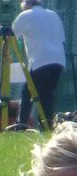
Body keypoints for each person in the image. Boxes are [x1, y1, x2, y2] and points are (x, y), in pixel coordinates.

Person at [12, 0, 66, 130]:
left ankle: (22, 124)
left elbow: (10, 35)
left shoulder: (25, 15)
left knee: (28, 93)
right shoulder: (53, 14)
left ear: (25, 4)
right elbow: (62, 38)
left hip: (40, 60)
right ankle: (47, 126)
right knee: (47, 94)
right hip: (58, 60)